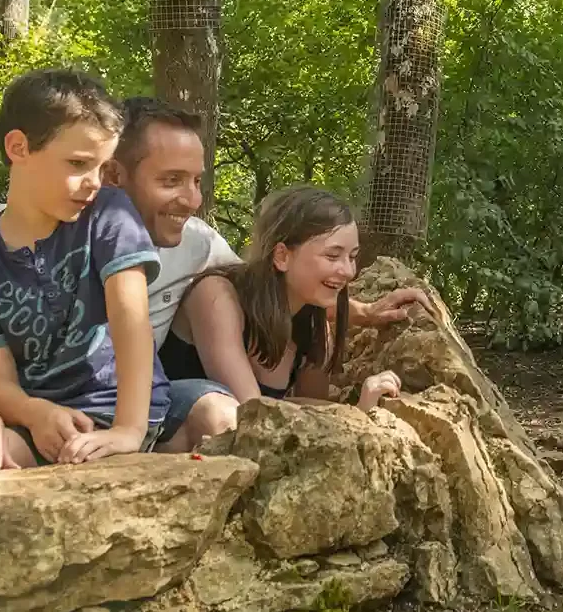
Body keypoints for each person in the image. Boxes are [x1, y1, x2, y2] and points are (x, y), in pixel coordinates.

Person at [0, 96, 428, 517]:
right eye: (172, 180)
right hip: (11, 402)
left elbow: (271, 278)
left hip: (118, 405)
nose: (191, 200)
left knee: (215, 413)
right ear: (117, 173)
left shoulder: (194, 242)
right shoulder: (4, 237)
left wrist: (364, 310)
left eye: (198, 180)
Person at [0, 67, 168, 472]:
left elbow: (132, 321)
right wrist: (34, 413)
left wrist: (129, 429)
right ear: (19, 147)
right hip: (38, 418)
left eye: (101, 166)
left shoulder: (109, 214)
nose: (94, 182)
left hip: (118, 408)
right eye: (78, 163)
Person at [172, 184, 406, 440]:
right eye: (332, 256)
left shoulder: (314, 324)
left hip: (241, 442)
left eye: (352, 257)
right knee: (221, 415)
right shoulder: (217, 296)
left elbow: (309, 419)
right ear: (282, 256)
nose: (348, 271)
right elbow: (252, 417)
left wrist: (355, 417)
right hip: (171, 436)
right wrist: (354, 417)